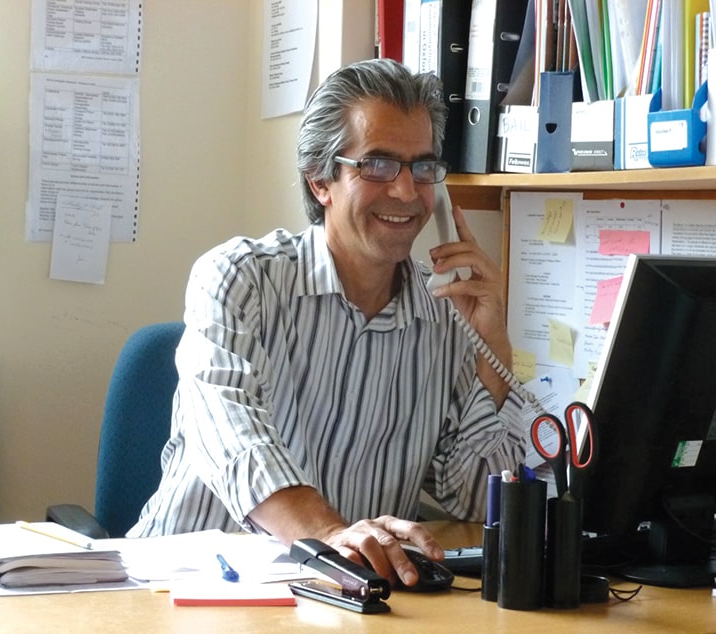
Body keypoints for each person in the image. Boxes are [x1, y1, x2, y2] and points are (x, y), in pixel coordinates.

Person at [128, 58, 526, 588]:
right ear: (321, 180)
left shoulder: (445, 317)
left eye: (423, 167)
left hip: (345, 602)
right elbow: (237, 444)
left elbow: (472, 500)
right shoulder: (238, 280)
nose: (407, 193)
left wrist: (492, 349)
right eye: (379, 165)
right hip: (183, 592)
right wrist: (331, 536)